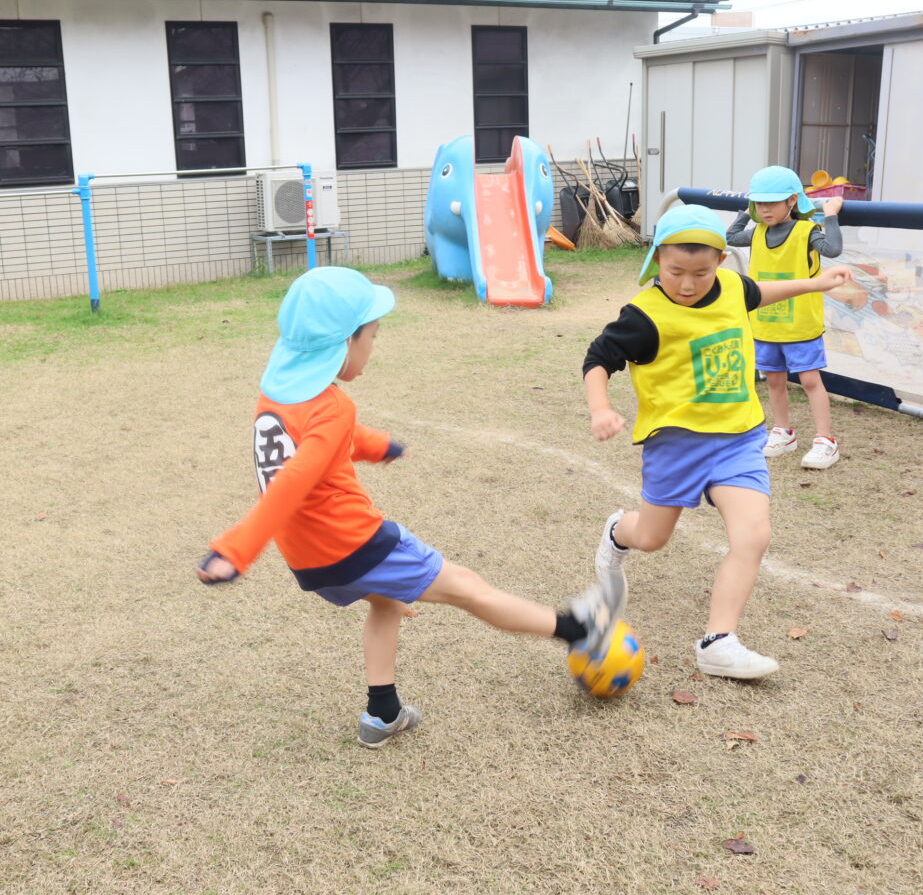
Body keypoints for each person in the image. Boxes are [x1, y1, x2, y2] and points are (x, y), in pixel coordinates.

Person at [197, 266, 622, 748]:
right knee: (469, 589)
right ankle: (577, 629)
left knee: (387, 602)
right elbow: (292, 484)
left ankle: (383, 713)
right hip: (356, 544)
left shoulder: (278, 396)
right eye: (372, 336)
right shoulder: (333, 407)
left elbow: (323, 443)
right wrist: (235, 550)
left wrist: (377, 446)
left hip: (311, 561)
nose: (373, 347)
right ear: (345, 342)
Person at [583, 205, 849, 679]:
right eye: (675, 272)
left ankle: (718, 642)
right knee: (652, 539)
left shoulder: (731, 287)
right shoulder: (644, 316)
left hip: (738, 440)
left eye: (701, 273)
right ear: (657, 260)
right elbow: (598, 359)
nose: (687, 284)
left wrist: (816, 283)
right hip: (676, 446)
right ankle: (617, 532)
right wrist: (601, 408)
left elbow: (759, 292)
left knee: (754, 535)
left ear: (721, 261)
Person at [726, 165, 845, 470]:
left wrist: (830, 215)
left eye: (771, 203)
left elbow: (833, 249)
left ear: (792, 200)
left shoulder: (806, 232)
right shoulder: (758, 233)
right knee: (774, 380)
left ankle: (825, 440)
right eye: (759, 203)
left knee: (810, 380)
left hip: (800, 324)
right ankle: (783, 432)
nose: (764, 210)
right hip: (766, 323)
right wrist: (745, 212)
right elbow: (731, 236)